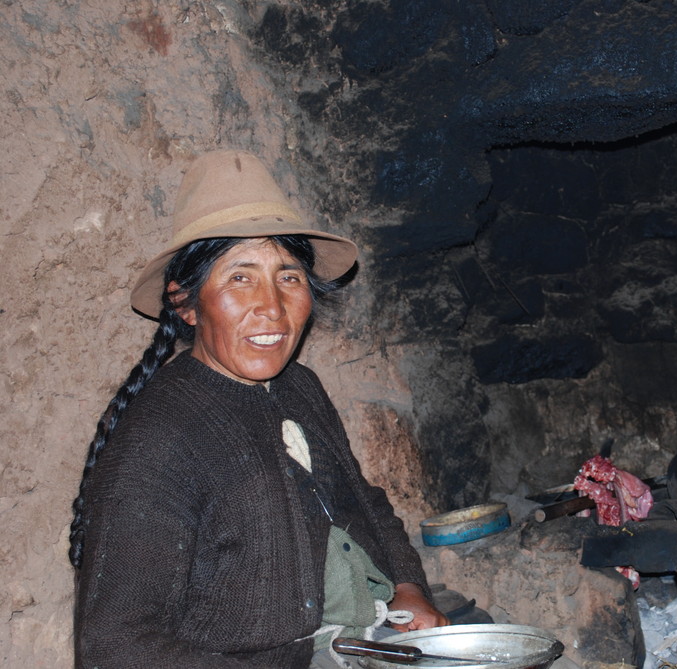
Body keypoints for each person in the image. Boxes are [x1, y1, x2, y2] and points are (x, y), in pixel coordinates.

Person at [69, 149, 448, 668]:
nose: (273, 306)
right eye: (240, 277)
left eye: (289, 277)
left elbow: (365, 499)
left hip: (366, 634)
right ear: (184, 302)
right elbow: (115, 646)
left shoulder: (300, 386)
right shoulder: (159, 438)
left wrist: (409, 587)